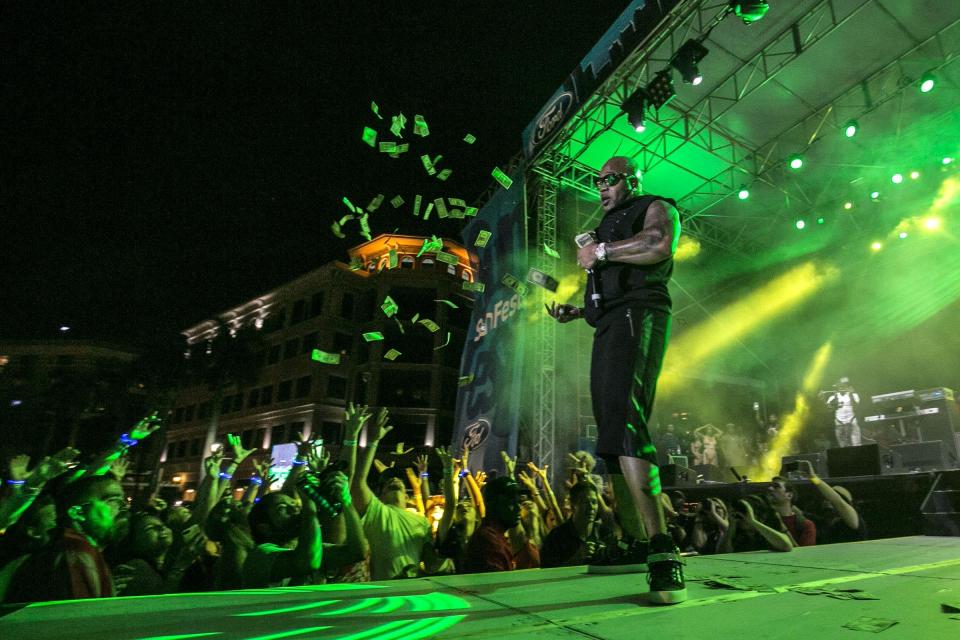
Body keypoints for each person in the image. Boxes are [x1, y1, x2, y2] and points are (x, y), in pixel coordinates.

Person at [546, 155, 685, 603]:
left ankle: (664, 550)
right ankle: (636, 541)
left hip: (638, 315)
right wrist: (577, 311)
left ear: (632, 180)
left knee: (627, 417)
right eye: (597, 181)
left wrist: (601, 252)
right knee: (608, 435)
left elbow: (659, 244)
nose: (601, 186)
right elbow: (606, 288)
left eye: (610, 179)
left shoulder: (654, 207)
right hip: (608, 323)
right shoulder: (602, 227)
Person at [346, 405, 448, 580]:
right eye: (388, 483)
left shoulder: (422, 522)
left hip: (411, 593)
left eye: (399, 480)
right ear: (380, 496)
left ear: (407, 496)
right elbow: (358, 482)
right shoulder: (376, 512)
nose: (395, 480)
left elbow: (430, 561)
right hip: (379, 592)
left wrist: (446, 563)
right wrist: (374, 441)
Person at [5, 475, 130, 602]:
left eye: (123, 501)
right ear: (78, 513)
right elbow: (82, 617)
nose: (122, 508)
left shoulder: (69, 548)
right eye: (113, 501)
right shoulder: (76, 550)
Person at [462, 477, 539, 573]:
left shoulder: (497, 537)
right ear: (493, 504)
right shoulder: (488, 541)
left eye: (518, 502)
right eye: (511, 502)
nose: (518, 508)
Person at [795, 460, 867, 544]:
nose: (827, 500)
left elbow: (838, 501)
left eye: (829, 497)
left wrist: (813, 477)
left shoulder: (856, 521)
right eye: (825, 498)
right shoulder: (826, 522)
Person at [540, 481, 604, 568]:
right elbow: (547, 574)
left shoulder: (605, 534)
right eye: (585, 502)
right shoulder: (556, 538)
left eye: (594, 502)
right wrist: (577, 558)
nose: (591, 507)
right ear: (573, 505)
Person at [718, 495, 793, 553]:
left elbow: (786, 546)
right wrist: (731, 527)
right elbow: (721, 554)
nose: (741, 517)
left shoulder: (768, 531)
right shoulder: (735, 533)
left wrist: (753, 521)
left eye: (745, 512)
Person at [767, 476, 817, 546]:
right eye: (769, 486)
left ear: (789, 495)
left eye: (776, 486)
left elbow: (806, 555)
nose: (770, 489)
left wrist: (783, 528)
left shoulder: (805, 525)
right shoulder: (764, 521)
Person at [825, 377, 862, 447]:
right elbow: (829, 409)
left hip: (852, 421)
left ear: (847, 386)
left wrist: (851, 394)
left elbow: (857, 406)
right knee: (843, 446)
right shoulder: (833, 397)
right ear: (837, 386)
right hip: (839, 423)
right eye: (840, 385)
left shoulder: (854, 395)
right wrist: (824, 400)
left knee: (856, 444)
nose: (841, 387)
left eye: (844, 385)